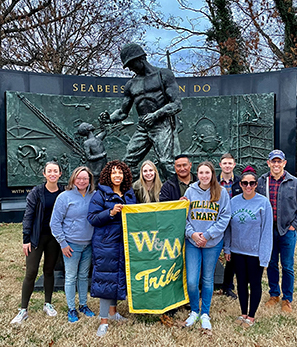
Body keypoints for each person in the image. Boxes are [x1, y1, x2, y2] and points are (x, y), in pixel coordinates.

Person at [102, 43, 182, 179]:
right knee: (128, 162)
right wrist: (109, 118)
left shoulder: (163, 75)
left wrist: (156, 114)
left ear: (141, 59)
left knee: (166, 163)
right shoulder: (131, 85)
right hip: (143, 127)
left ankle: (177, 193)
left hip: (162, 124)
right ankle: (133, 191)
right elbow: (122, 112)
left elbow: (177, 104)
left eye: (131, 64)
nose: (131, 68)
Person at [256, 149, 297, 313]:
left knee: (287, 266)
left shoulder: (295, 183)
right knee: (271, 264)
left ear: (284, 163)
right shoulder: (261, 182)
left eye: (279, 161)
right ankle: (274, 294)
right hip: (268, 231)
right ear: (269, 163)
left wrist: (294, 225)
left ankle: (287, 299)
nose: (276, 164)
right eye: (273, 161)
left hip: (287, 231)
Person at [10, 161, 64, 325]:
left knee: (49, 270)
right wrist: (26, 238)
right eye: (50, 171)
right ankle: (23, 310)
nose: (53, 174)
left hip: (54, 238)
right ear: (44, 174)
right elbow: (28, 215)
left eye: (55, 171)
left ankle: (48, 304)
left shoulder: (63, 192)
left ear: (60, 174)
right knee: (31, 272)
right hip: (36, 237)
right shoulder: (37, 192)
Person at [87, 160, 136, 337]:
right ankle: (103, 321)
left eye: (120, 173)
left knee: (116, 277)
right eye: (114, 172)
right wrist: (110, 213)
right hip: (106, 244)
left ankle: (113, 313)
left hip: (124, 243)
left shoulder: (129, 195)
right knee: (106, 280)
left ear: (124, 176)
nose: (117, 176)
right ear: (108, 175)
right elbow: (92, 218)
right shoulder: (100, 195)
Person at [183, 161, 231, 331]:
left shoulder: (221, 193)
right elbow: (184, 216)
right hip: (193, 242)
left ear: (212, 174)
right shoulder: (190, 191)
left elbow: (225, 217)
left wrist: (207, 235)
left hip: (212, 242)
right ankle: (194, 311)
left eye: (207, 173)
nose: (204, 176)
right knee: (191, 280)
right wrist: (193, 234)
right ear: (197, 174)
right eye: (201, 173)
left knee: (207, 279)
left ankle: (205, 313)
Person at [224, 167, 272, 329]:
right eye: (245, 183)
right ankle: (243, 313)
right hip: (237, 251)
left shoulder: (264, 203)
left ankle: (251, 316)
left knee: (255, 283)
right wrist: (227, 248)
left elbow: (266, 232)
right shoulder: (233, 202)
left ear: (256, 184)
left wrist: (265, 256)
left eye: (252, 183)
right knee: (241, 283)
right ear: (241, 184)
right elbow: (228, 228)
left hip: (255, 253)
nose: (248, 186)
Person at [50, 166, 96, 323]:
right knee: (70, 277)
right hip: (71, 245)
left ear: (90, 180)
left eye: (85, 178)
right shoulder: (64, 197)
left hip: (88, 244)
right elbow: (54, 223)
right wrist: (63, 243)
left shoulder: (94, 196)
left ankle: (83, 304)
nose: (82, 181)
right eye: (79, 178)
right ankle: (71, 308)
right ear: (73, 179)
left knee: (83, 276)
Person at [218, 153, 242, 300]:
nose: (227, 166)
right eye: (224, 163)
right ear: (220, 165)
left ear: (234, 165)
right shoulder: (214, 182)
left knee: (231, 257)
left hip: (234, 223)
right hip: (216, 221)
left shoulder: (240, 182)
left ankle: (228, 286)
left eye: (230, 163)